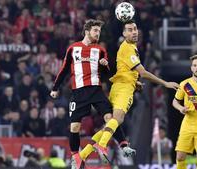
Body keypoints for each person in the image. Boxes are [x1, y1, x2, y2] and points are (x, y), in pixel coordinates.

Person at [80, 20, 179, 164]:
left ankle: (83, 154)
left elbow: (125, 69)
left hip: (120, 86)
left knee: (112, 124)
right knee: (118, 119)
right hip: (123, 88)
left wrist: (135, 81)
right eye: (130, 30)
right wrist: (165, 83)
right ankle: (101, 146)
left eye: (135, 29)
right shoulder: (128, 48)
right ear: (124, 33)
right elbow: (143, 73)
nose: (134, 32)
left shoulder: (130, 48)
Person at [50, 19, 135, 169]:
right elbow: (63, 70)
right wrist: (55, 88)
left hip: (96, 90)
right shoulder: (73, 48)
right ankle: (76, 157)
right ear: (87, 31)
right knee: (74, 127)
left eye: (99, 31)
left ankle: (123, 145)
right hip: (78, 92)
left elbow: (107, 74)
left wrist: (105, 65)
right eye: (95, 31)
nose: (98, 34)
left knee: (111, 118)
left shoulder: (100, 50)